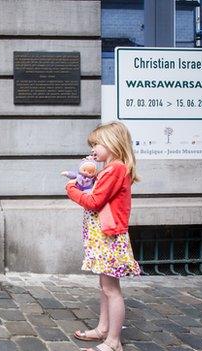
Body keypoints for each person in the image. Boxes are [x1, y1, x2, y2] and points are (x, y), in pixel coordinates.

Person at [65, 121, 141, 351]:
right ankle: (103, 329)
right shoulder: (111, 169)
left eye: (97, 143)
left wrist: (71, 189)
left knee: (111, 289)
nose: (93, 148)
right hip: (103, 237)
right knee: (104, 286)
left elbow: (95, 201)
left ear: (112, 143)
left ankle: (113, 342)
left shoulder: (115, 169)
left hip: (109, 238)